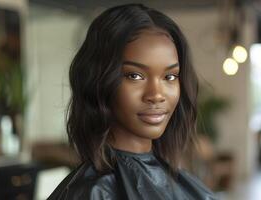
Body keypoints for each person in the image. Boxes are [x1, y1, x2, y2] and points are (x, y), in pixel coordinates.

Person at [48, 3, 216, 200]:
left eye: (169, 77)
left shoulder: (184, 183)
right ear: (99, 81)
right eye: (135, 76)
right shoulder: (94, 193)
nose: (156, 94)